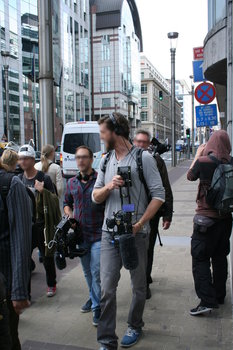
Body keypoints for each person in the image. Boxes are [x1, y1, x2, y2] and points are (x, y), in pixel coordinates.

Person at [92, 113, 165, 350]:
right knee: (107, 289)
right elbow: (95, 196)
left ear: (115, 131)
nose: (101, 137)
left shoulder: (144, 158)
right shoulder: (105, 160)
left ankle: (135, 324)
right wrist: (109, 186)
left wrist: (140, 224)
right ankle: (106, 340)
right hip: (109, 233)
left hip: (136, 232)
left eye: (103, 132)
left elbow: (159, 195)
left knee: (138, 286)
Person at [187, 130, 232, 316]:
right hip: (226, 219)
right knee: (220, 258)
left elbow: (190, 176)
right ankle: (219, 295)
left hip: (205, 220)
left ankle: (207, 300)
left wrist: (198, 154)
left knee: (200, 259)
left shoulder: (204, 162)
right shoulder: (231, 162)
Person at [64, 146, 104, 326]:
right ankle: (93, 297)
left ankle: (97, 306)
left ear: (91, 158)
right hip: (81, 235)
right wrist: (69, 214)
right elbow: (67, 202)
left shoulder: (100, 180)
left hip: (98, 234)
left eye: (84, 157)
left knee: (96, 272)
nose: (80, 160)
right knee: (87, 272)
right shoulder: (71, 182)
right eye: (78, 157)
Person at [133, 130, 173, 299]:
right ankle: (139, 278)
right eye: (138, 142)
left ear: (149, 144)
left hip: (151, 212)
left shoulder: (157, 161)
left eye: (144, 142)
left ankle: (144, 282)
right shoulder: (126, 159)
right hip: (131, 211)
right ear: (134, 142)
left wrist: (167, 214)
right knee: (133, 247)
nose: (141, 145)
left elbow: (165, 188)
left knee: (147, 248)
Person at [0, 149, 31, 349]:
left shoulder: (11, 184)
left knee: (7, 339)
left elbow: (21, 239)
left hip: (5, 285)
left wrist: (19, 291)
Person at [18, 144, 57, 298]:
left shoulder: (43, 178)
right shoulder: (19, 179)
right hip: (26, 224)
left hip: (42, 224)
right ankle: (26, 292)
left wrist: (43, 191)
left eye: (25, 159)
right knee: (25, 258)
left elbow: (54, 200)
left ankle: (51, 284)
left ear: (32, 159)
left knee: (47, 257)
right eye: (20, 159)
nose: (22, 162)